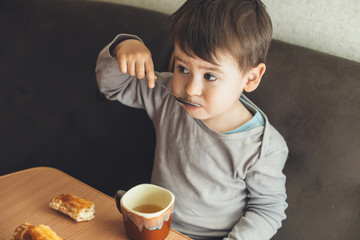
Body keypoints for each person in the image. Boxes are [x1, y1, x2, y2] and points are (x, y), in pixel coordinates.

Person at [95, 0, 288, 239]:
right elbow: (111, 87)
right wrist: (122, 48)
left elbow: (268, 210)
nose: (191, 89)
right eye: (182, 68)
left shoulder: (263, 147)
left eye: (210, 75)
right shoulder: (166, 96)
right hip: (155, 228)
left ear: (250, 78)